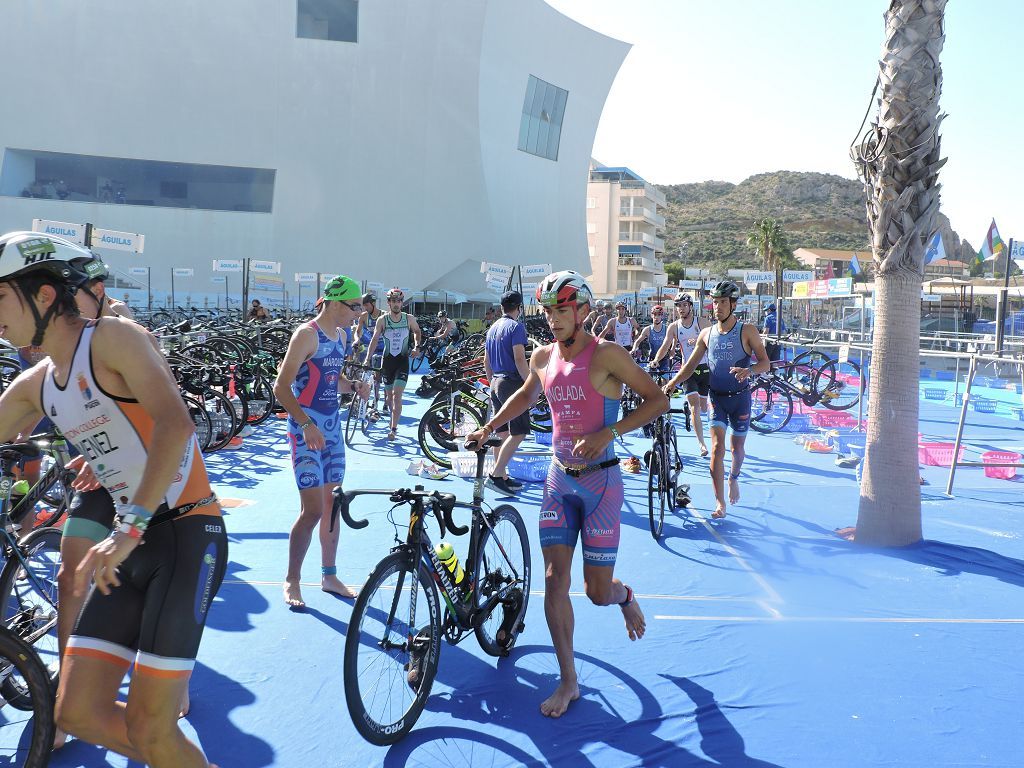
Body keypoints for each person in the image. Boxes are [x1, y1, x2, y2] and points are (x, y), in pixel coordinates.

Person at [0, 231, 225, 767]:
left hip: (185, 536)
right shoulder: (38, 383)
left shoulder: (113, 339)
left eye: (0, 296)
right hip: (131, 545)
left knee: (152, 727)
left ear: (45, 295)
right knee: (75, 712)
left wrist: (129, 528)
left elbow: (175, 424)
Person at [465, 270, 667, 718]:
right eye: (548, 311)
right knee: (555, 581)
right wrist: (489, 428)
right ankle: (569, 681)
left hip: (602, 484)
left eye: (561, 310)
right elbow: (523, 395)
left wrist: (609, 431)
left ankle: (624, 596)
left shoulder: (608, 355)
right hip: (559, 482)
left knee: (597, 592)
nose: (553, 319)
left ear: (582, 311)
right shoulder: (541, 357)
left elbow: (657, 400)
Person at [275, 275, 369, 608]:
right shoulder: (306, 335)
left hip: (332, 431)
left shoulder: (342, 336)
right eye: (354, 306)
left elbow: (332, 380)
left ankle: (329, 575)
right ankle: (292, 580)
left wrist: (352, 385)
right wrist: (305, 423)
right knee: (312, 510)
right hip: (307, 432)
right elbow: (281, 387)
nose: (359, 313)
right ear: (334, 302)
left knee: (333, 505)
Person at [663, 280, 770, 519]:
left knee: (737, 448)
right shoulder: (706, 334)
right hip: (717, 399)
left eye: (723, 302)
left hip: (740, 399)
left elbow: (765, 363)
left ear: (733, 304)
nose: (718, 307)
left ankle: (733, 479)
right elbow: (689, 367)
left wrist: (749, 371)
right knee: (716, 449)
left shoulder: (747, 331)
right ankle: (720, 503)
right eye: (715, 302)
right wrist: (671, 384)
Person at [482, 290, 530, 495]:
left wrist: (492, 379)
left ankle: (501, 476)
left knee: (501, 433)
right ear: (519, 307)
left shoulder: (492, 327)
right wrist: (531, 384)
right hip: (510, 383)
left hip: (495, 381)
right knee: (519, 432)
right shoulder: (516, 327)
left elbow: (486, 361)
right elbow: (520, 358)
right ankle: (496, 474)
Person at [651, 293, 710, 457]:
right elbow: (665, 346)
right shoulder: (674, 327)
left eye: (684, 305)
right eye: (678, 306)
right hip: (687, 370)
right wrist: (656, 359)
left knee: (703, 408)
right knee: (695, 408)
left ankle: (690, 409)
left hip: (705, 369)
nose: (681, 309)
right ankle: (702, 444)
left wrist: (699, 339)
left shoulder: (702, 322)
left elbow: (715, 339)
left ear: (690, 306)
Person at [363, 287, 422, 441]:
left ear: (402, 302)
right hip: (387, 361)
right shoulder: (382, 320)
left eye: (399, 301)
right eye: (393, 301)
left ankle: (393, 428)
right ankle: (392, 417)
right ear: (388, 302)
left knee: (397, 395)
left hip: (402, 361)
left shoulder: (409, 318)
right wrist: (367, 358)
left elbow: (417, 331)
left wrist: (417, 346)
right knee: (389, 397)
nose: (397, 304)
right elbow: (374, 339)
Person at [354, 292, 384, 417]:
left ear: (373, 303)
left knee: (378, 378)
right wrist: (356, 340)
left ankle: (378, 404)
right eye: (363, 305)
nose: (364, 308)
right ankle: (360, 401)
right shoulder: (364, 316)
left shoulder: (384, 315)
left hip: (383, 348)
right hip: (372, 347)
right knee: (364, 372)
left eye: (366, 305)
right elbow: (358, 332)